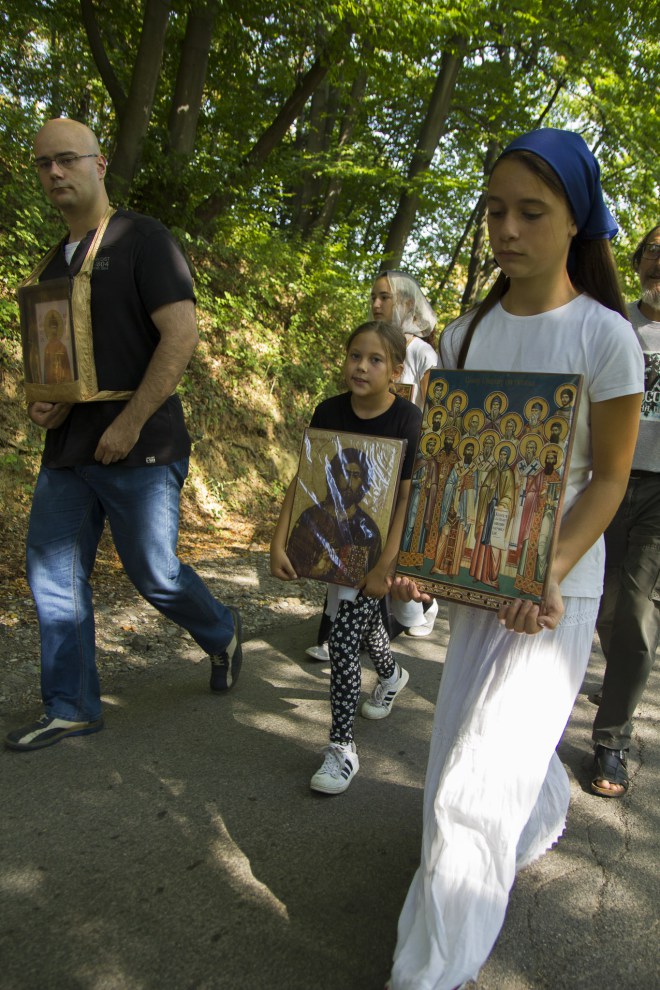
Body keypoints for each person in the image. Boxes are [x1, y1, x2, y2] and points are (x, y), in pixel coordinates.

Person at [385, 128, 643, 990]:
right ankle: (540, 804)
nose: (507, 229)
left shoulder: (606, 337)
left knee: (474, 788)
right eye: (496, 210)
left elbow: (608, 480)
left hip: (554, 590)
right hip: (475, 580)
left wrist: (549, 571)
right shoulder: (462, 337)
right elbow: (444, 468)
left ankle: (429, 970)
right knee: (458, 762)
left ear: (576, 222)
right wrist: (418, 554)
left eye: (531, 212)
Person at [5, 118, 242, 753]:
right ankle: (71, 706)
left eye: (67, 159)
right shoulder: (51, 261)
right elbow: (60, 363)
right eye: (43, 163)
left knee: (154, 573)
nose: (55, 172)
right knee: (53, 573)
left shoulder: (143, 239)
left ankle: (221, 631)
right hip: (68, 450)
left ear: (99, 163)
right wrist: (46, 403)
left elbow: (181, 336)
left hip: (144, 442)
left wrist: (130, 422)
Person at [271, 320, 422, 794]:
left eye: (375, 360)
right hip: (333, 544)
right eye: (355, 355)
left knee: (341, 640)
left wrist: (384, 566)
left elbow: (405, 499)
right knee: (358, 617)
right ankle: (392, 675)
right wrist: (279, 540)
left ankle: (342, 749)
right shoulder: (329, 411)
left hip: (379, 547)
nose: (361, 367)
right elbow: (304, 479)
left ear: (395, 371)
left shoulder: (408, 420)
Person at [306, 271, 439, 659]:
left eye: (385, 297)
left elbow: (431, 410)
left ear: (408, 304)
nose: (377, 304)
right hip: (364, 465)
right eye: (374, 297)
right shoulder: (369, 341)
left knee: (391, 577)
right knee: (349, 551)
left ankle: (418, 611)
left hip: (401, 463)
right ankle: (341, 638)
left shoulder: (422, 353)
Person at [590, 222, 660, 798]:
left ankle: (612, 737)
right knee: (605, 607)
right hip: (603, 482)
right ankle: (619, 682)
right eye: (654, 251)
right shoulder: (614, 323)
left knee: (637, 611)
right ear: (638, 263)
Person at [286, 448, 382, 583]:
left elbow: (369, 575)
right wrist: (315, 569)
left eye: (356, 476)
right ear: (334, 476)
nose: (349, 483)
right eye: (345, 474)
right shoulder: (310, 517)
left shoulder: (368, 529)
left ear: (364, 482)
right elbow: (293, 562)